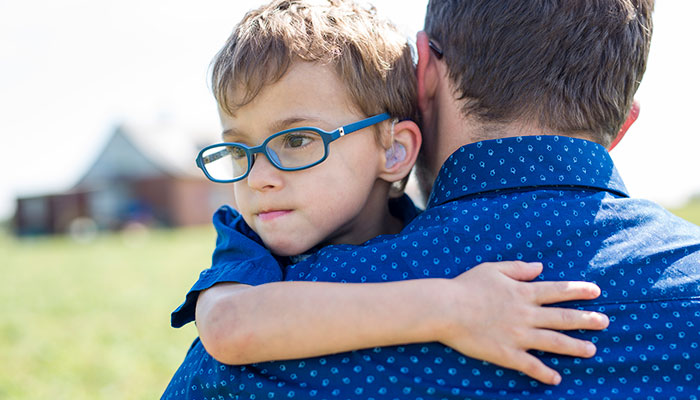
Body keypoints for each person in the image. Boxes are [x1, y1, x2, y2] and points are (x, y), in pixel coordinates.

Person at [166, 0, 700, 398]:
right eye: (239, 150)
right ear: (622, 124)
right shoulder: (254, 260)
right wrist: (451, 307)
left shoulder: (242, 370)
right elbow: (230, 323)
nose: (259, 177)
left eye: (298, 140)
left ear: (423, 74)